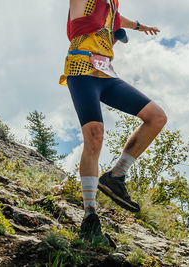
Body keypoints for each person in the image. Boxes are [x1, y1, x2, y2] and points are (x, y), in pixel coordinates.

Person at [60, 0, 167, 244]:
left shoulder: (110, 6)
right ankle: (89, 216)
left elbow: (119, 19)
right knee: (95, 136)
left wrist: (140, 26)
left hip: (106, 73)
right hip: (81, 68)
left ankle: (116, 176)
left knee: (157, 117)